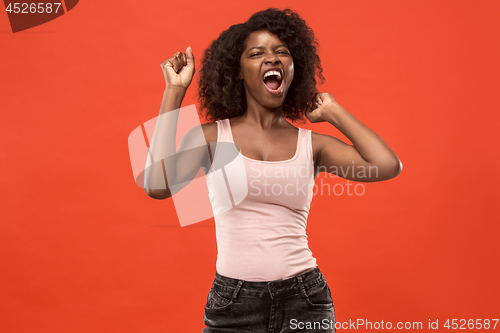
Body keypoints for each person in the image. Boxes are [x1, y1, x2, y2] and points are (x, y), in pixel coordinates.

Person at [145, 8, 402, 333]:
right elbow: (156, 185)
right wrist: (174, 91)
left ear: (295, 68)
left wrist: (333, 111)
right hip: (232, 302)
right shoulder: (211, 137)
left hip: (305, 298)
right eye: (257, 53)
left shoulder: (313, 146)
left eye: (282, 52)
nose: (273, 59)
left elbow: (386, 165)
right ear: (238, 70)